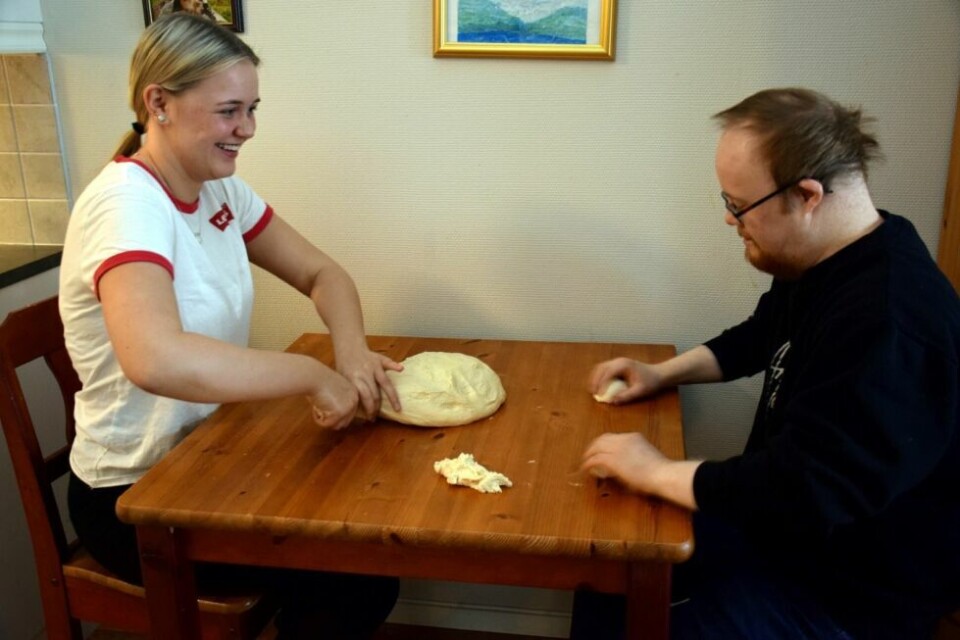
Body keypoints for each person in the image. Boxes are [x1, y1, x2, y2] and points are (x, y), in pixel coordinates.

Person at [59, 13, 403, 639]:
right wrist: (309, 373)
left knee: (361, 544)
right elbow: (154, 358)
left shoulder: (220, 192)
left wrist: (351, 353)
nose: (246, 129)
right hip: (134, 496)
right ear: (157, 102)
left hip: (210, 459)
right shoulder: (125, 205)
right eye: (228, 111)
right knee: (353, 577)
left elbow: (325, 275)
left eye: (252, 108)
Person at [576, 88, 960, 639]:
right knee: (606, 573)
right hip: (785, 538)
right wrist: (663, 373)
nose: (732, 222)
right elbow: (763, 336)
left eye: (738, 205)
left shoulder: (888, 321)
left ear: (806, 195)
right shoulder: (831, 256)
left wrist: (656, 471)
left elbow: (802, 490)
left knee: (644, 605)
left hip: (852, 594)